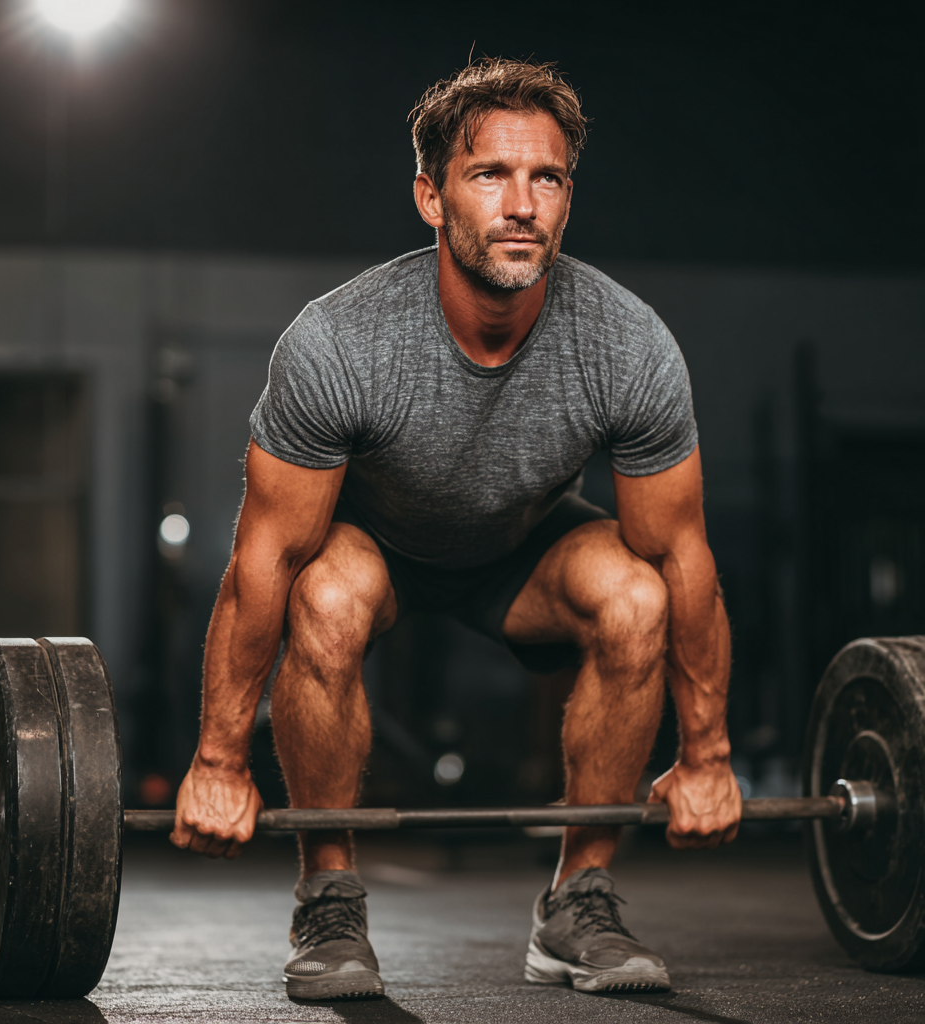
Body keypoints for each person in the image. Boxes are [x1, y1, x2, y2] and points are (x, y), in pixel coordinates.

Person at [171, 57, 742, 1000]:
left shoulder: (626, 343)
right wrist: (219, 763)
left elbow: (682, 555)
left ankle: (578, 901)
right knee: (322, 589)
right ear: (432, 197)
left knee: (638, 595)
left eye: (547, 177)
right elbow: (262, 557)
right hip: (378, 547)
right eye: (491, 176)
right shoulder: (341, 342)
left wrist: (709, 757)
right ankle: (329, 900)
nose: (522, 204)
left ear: (568, 197)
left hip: (519, 551)